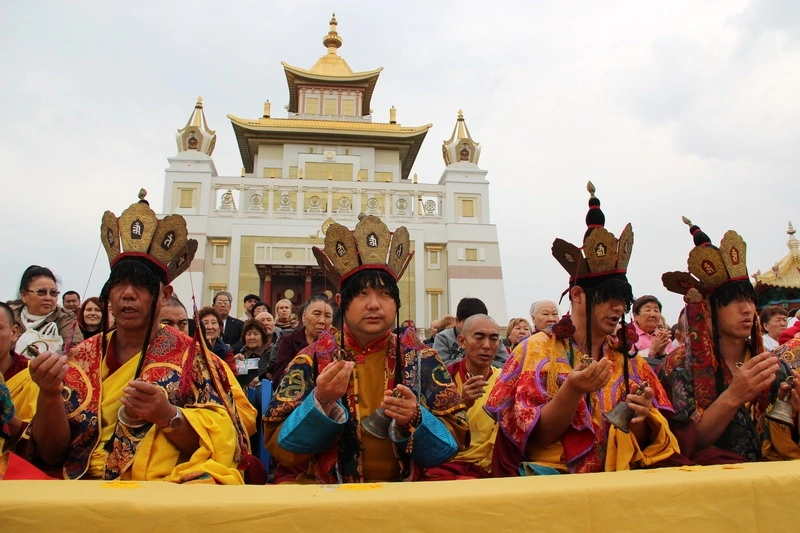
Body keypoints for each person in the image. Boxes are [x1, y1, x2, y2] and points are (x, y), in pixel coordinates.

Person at [21, 191, 250, 482]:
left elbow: (226, 448)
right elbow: (51, 456)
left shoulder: (194, 358)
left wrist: (168, 415)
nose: (128, 293)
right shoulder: (81, 357)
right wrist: (50, 394)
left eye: (141, 285)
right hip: (79, 486)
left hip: (159, 489)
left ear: (165, 295)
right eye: (118, 284)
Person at [486, 183, 679, 476]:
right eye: (607, 300)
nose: (616, 310)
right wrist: (573, 390)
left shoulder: (629, 360)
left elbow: (645, 445)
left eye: (622, 303)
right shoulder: (536, 350)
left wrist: (640, 418)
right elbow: (533, 438)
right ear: (577, 295)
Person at [265, 214, 468, 483]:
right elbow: (281, 448)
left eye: (385, 294)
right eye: (362, 294)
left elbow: (456, 441)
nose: (374, 304)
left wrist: (416, 417)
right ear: (340, 301)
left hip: (406, 494)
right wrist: (321, 402)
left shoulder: (421, 358)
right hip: (329, 494)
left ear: (396, 304)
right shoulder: (311, 360)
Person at [659, 219, 799, 463]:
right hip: (717, 486)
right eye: (735, 301)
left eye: (750, 300)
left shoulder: (774, 364)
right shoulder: (679, 366)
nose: (747, 310)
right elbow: (685, 443)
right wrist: (734, 395)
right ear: (709, 310)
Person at [427, 314, 501, 479]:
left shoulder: (506, 381)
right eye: (479, 337)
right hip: (451, 465)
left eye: (494, 339)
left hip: (494, 466)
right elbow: (430, 437)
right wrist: (461, 403)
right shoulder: (442, 381)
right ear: (462, 341)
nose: (487, 346)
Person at [12, 265, 83, 356]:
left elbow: (75, 352)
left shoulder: (65, 318)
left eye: (53, 293)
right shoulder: (10, 317)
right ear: (24, 295)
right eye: (42, 292)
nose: (48, 298)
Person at [269, 294, 333, 390]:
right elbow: (278, 379)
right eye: (317, 314)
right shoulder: (288, 341)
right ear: (304, 317)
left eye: (327, 316)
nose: (322, 321)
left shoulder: (335, 345)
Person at [434, 297, 508, 368]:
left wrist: (482, 363)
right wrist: (471, 363)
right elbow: (439, 367)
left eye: (479, 323)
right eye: (468, 322)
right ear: (457, 321)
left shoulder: (493, 339)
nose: (486, 345)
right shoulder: (444, 337)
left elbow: (507, 366)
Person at [234, 320, 272, 388]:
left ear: (262, 336)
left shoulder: (270, 353)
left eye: (256, 334)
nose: (251, 337)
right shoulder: (241, 355)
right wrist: (233, 363)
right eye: (248, 334)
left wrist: (261, 377)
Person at [198, 306, 236, 372]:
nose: (210, 327)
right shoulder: (192, 348)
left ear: (220, 328)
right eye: (205, 323)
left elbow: (231, 376)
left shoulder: (226, 351)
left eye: (213, 323)